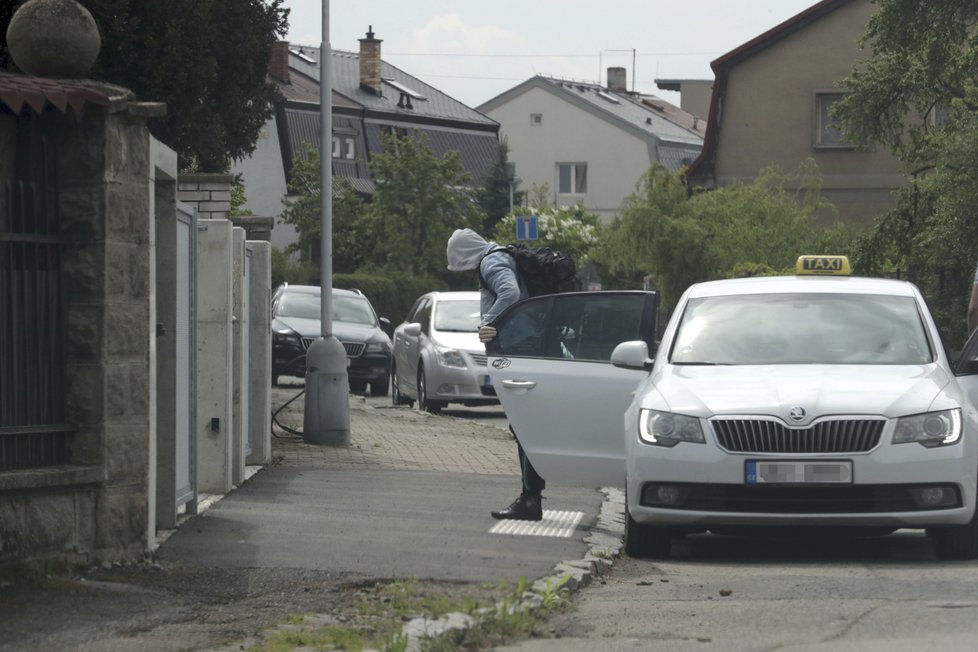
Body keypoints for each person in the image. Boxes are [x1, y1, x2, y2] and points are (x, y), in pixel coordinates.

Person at [446, 228, 545, 521]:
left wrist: (489, 322)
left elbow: (510, 292)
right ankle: (531, 495)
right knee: (524, 425)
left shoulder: (490, 262)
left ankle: (530, 498)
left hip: (520, 347)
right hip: (525, 344)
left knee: (523, 425)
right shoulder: (499, 256)